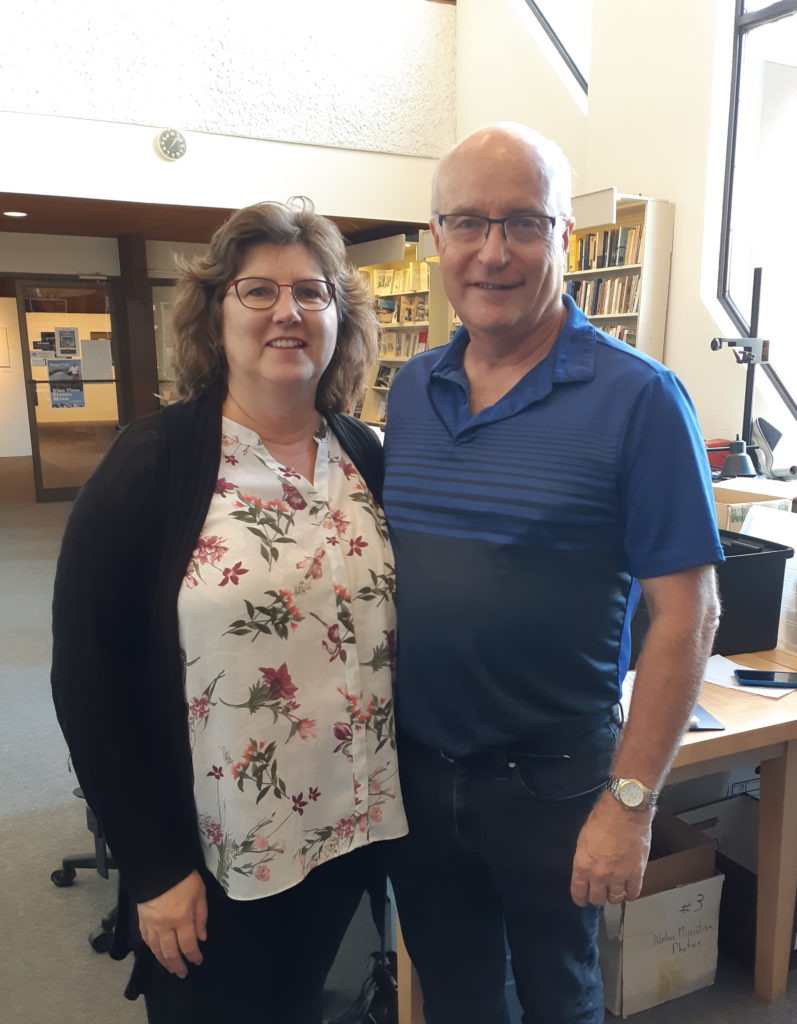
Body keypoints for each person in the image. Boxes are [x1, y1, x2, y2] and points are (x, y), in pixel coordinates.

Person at [380, 123, 723, 1023]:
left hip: (556, 781)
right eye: (467, 224)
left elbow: (689, 617)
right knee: (453, 994)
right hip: (415, 772)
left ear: (562, 239)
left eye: (523, 224)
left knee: (558, 997)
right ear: (434, 243)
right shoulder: (411, 391)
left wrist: (632, 805)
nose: (494, 253)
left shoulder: (639, 397)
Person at [51, 198, 407, 1024]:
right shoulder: (155, 462)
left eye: (312, 292)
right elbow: (86, 680)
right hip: (217, 859)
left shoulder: (365, 458)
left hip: (356, 834)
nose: (287, 311)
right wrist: (151, 866)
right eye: (258, 290)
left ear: (338, 318)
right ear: (216, 315)